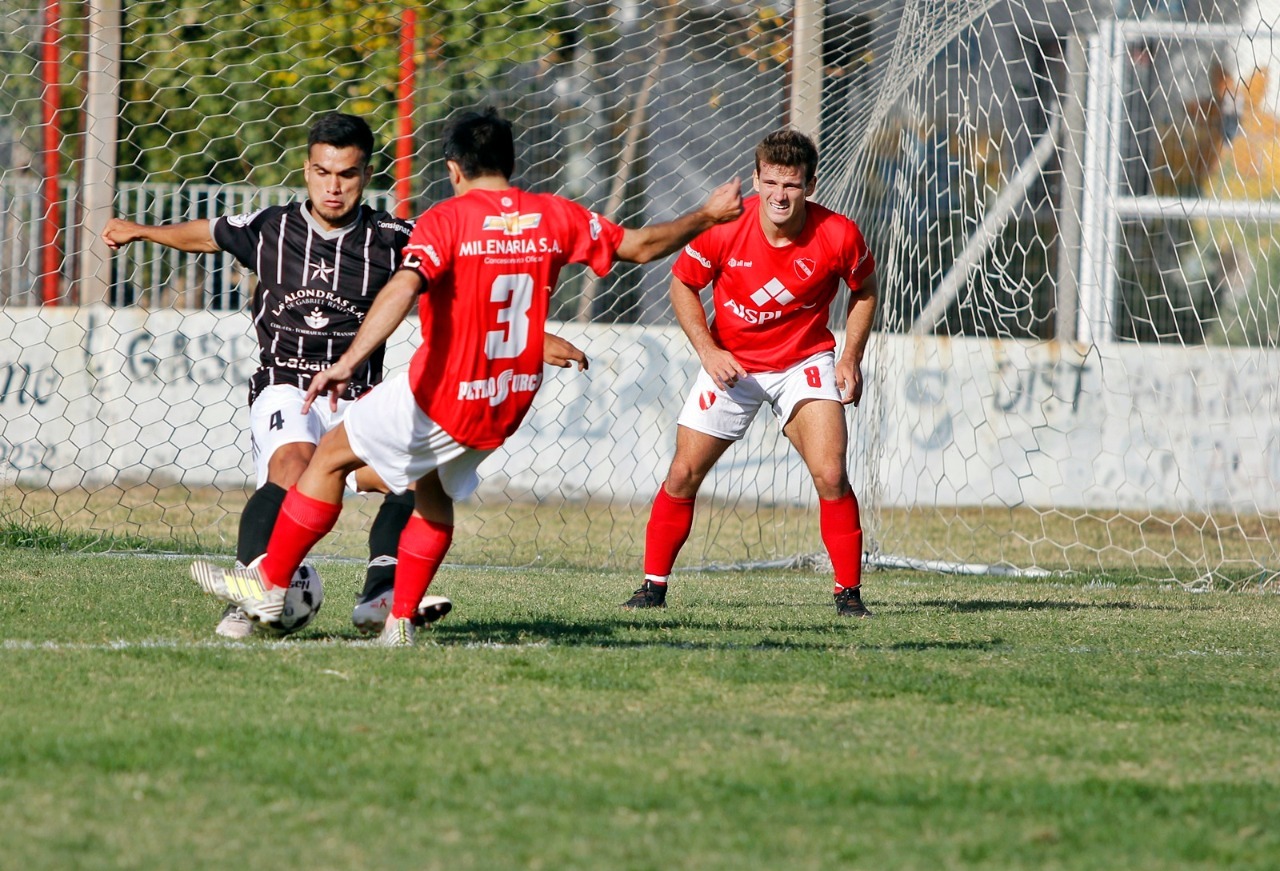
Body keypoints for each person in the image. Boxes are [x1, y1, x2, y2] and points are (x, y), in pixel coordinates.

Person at [189, 107, 744, 645]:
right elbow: (643, 246)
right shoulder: (556, 215)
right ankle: (397, 620)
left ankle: (269, 582)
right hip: (507, 398)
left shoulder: (445, 220)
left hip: (442, 390)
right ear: (511, 165)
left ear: (454, 169)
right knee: (430, 493)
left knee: (329, 456)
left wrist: (350, 361)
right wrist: (706, 215)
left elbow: (404, 288)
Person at [103, 112, 451, 637]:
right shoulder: (274, 227)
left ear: (367, 174)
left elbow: (462, 290)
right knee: (294, 463)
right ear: (306, 170)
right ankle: (249, 597)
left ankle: (381, 595)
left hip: (358, 393)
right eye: (322, 172)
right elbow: (208, 234)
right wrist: (142, 231)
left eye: (347, 174)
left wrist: (534, 339)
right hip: (285, 385)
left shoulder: (393, 238)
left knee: (415, 477)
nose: (333, 187)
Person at [622, 128, 878, 618]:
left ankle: (848, 594)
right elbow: (681, 285)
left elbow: (865, 289)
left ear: (810, 185)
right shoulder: (724, 228)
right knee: (682, 474)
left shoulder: (838, 233)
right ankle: (652, 588)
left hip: (804, 362)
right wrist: (708, 351)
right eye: (772, 182)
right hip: (732, 364)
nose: (780, 195)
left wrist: (849, 357)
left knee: (830, 473)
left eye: (792, 185)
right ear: (756, 180)